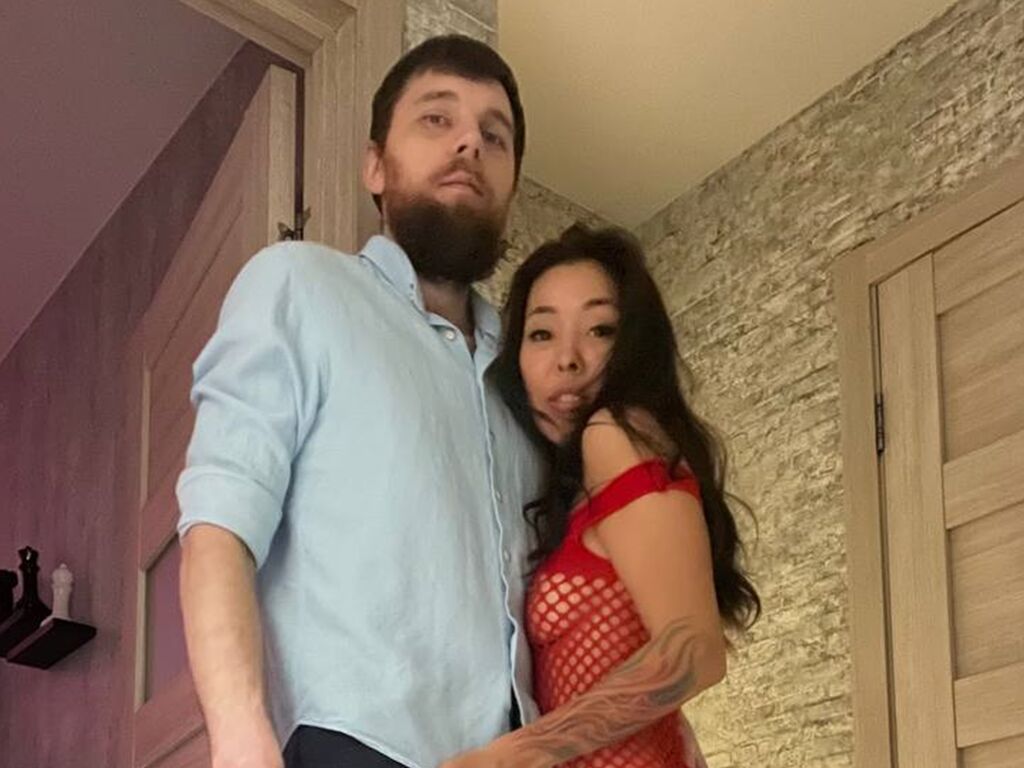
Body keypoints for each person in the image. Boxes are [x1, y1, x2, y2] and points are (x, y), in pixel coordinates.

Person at [176, 35, 541, 768]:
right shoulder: (299, 286)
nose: (470, 142)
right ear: (375, 165)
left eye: (494, 136)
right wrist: (240, 737)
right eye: (437, 119)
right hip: (351, 746)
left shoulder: (526, 376)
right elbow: (220, 519)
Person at [443, 225, 761, 768]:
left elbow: (695, 652)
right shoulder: (581, 486)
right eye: (541, 334)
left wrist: (511, 756)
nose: (568, 359)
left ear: (634, 345)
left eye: (600, 329)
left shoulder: (613, 432)